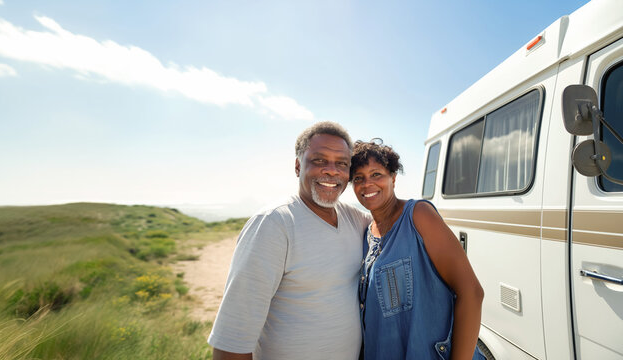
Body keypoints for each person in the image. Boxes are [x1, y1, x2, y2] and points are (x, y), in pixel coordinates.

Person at [208, 121, 371, 360]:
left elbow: (394, 225)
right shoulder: (274, 224)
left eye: (342, 164)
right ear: (297, 166)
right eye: (319, 160)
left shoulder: (356, 220)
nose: (332, 171)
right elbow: (232, 340)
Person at [350, 138, 485, 360]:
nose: (367, 184)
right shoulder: (367, 233)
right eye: (358, 178)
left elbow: (471, 292)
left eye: (376, 174)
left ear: (393, 177)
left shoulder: (418, 215)